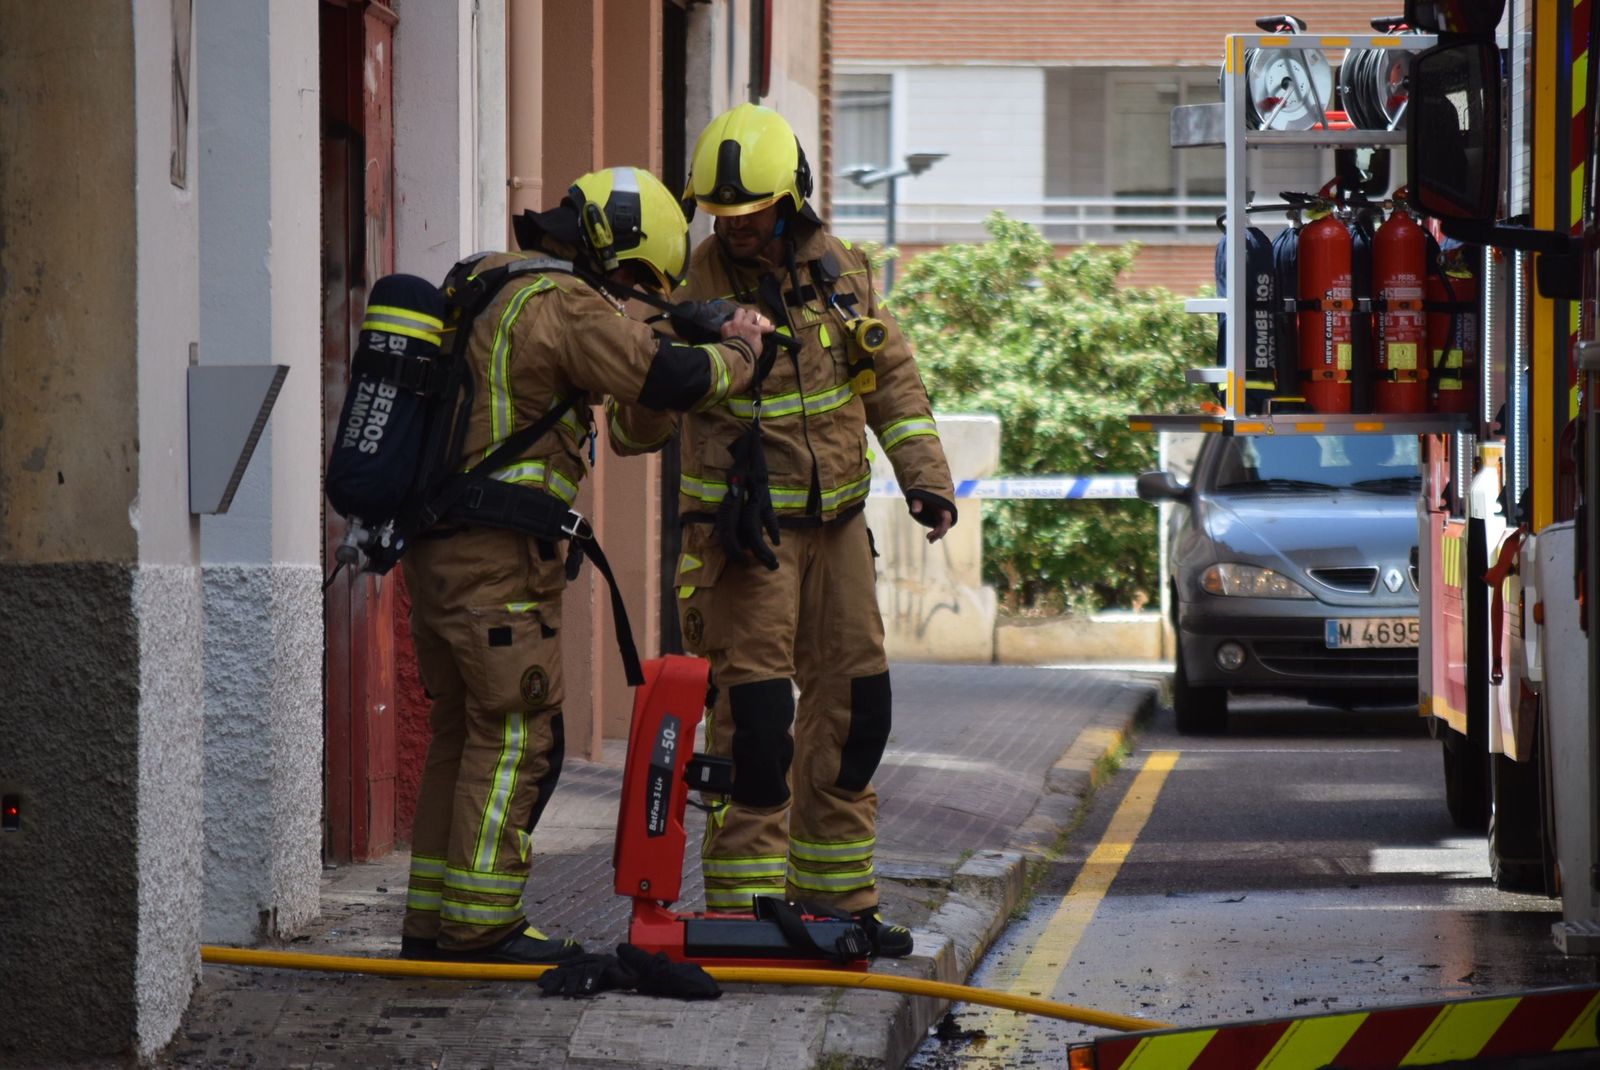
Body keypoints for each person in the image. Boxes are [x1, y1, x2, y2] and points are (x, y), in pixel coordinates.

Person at [608, 105, 957, 958]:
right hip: (739, 541)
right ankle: (748, 910)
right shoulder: (684, 290)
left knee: (857, 709)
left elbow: (894, 382)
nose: (739, 228)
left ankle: (840, 902)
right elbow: (633, 431)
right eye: (724, 215)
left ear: (791, 199)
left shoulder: (842, 272)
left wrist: (927, 483)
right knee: (757, 725)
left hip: (837, 529)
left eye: (754, 212)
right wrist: (676, 356)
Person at [400, 166, 772, 964]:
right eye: (637, 280)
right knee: (514, 737)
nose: (633, 296)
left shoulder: (488, 282)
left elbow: (631, 411)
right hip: (496, 564)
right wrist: (740, 350)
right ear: (615, 251)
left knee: (458, 734)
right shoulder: (564, 304)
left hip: (440, 556)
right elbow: (668, 377)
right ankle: (479, 926)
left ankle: (433, 918)